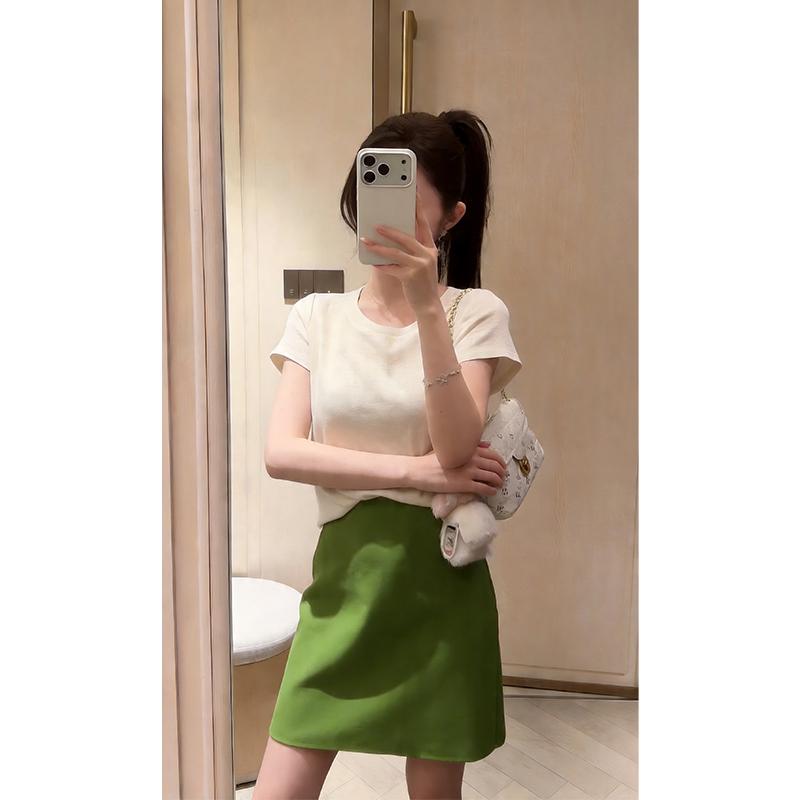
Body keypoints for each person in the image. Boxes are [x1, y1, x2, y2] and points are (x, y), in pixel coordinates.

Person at [254, 109, 523, 800]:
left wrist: (427, 306)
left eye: (408, 205)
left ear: (452, 217)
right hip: (344, 583)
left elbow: (457, 445)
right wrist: (417, 471)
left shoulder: (475, 312)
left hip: (439, 588)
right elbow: (281, 453)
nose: (383, 220)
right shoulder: (315, 316)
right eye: (372, 192)